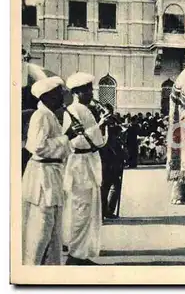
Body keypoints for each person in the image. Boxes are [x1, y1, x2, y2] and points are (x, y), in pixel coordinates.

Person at [22, 77, 82, 265]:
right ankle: (31, 271)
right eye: (58, 93)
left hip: (52, 175)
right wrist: (67, 136)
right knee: (41, 230)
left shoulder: (50, 115)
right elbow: (37, 147)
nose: (62, 97)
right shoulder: (41, 116)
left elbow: (59, 147)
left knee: (54, 232)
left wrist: (70, 138)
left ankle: (51, 272)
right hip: (43, 178)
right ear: (47, 96)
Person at [62, 72, 110, 265]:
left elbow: (96, 141)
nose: (91, 92)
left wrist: (101, 126)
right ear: (77, 92)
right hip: (79, 167)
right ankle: (75, 255)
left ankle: (81, 252)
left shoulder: (84, 109)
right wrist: (100, 125)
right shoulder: (73, 111)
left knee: (87, 209)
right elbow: (75, 141)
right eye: (87, 89)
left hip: (87, 165)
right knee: (80, 210)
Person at [99, 104, 125, 219]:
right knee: (104, 187)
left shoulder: (114, 126)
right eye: (106, 114)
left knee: (115, 185)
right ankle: (102, 212)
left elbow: (120, 138)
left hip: (115, 160)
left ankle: (109, 210)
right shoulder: (100, 127)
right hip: (105, 160)